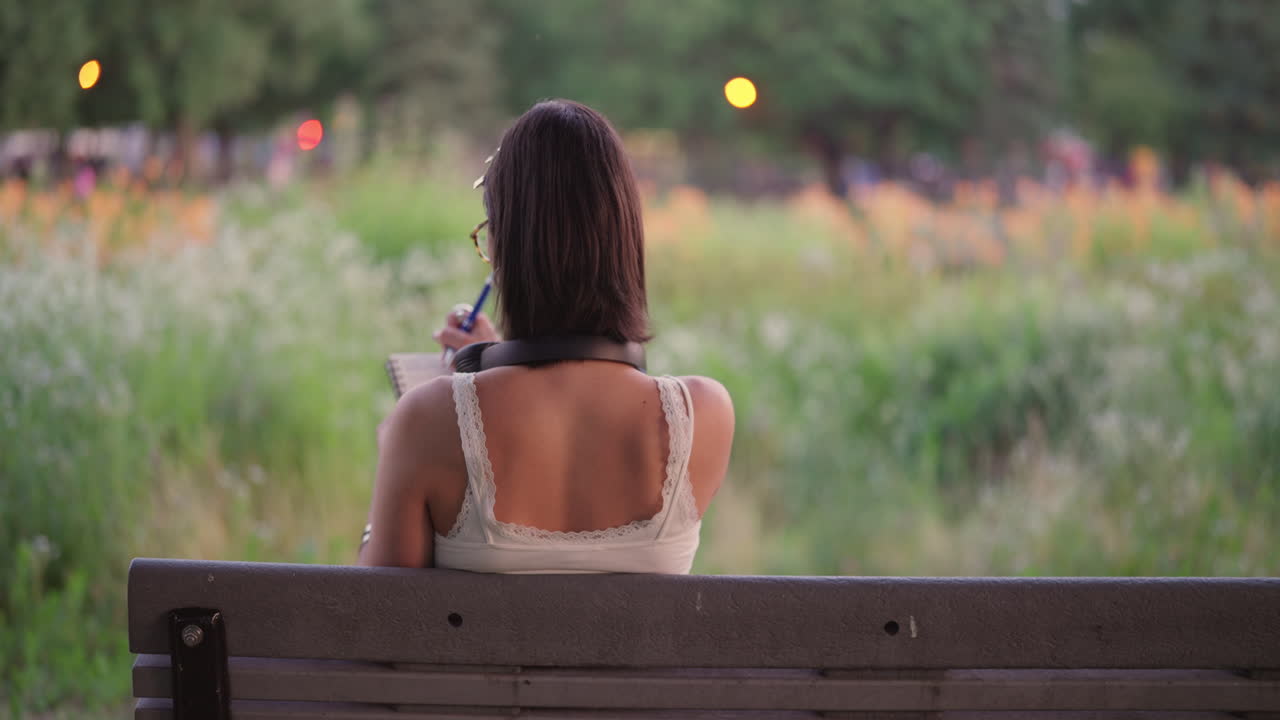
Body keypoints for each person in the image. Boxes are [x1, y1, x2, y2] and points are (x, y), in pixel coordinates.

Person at [358, 100, 734, 573]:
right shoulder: (704, 414)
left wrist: (394, 461)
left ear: (507, 248)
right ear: (623, 239)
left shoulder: (427, 422)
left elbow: (380, 609)